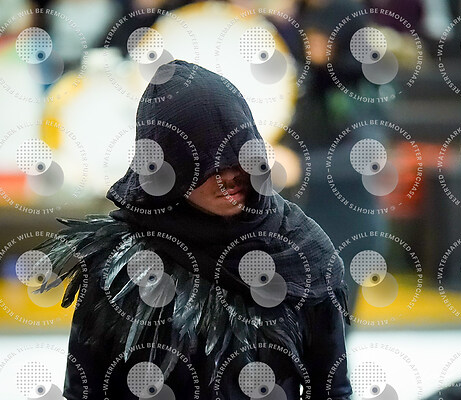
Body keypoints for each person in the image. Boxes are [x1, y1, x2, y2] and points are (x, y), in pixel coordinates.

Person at [37, 60, 352, 399]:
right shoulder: (116, 264)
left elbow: (332, 391)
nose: (230, 175)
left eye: (240, 154)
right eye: (209, 163)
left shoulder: (301, 251)